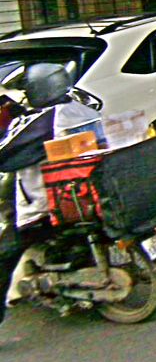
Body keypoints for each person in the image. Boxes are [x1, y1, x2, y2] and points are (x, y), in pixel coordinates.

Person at [1, 62, 105, 330]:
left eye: (28, 90)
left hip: (47, 206)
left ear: (39, 88)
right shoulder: (81, 108)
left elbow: (6, 155)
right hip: (86, 194)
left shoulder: (44, 121)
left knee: (3, 255)